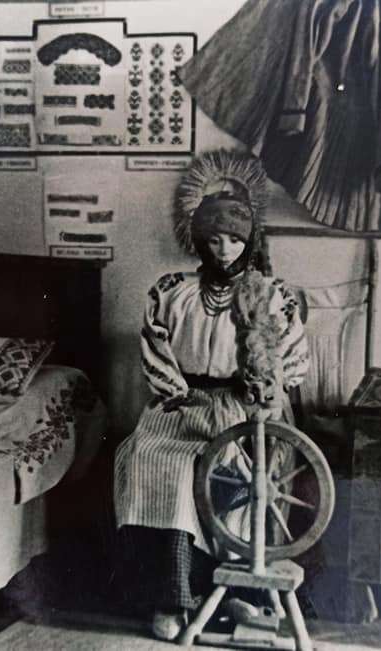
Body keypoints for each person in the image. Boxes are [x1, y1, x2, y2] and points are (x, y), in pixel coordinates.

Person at [113, 150, 310, 641]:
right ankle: (172, 599)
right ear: (200, 240)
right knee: (148, 458)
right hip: (181, 404)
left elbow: (292, 358)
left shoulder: (272, 295)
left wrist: (264, 390)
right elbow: (155, 348)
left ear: (249, 242)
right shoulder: (170, 291)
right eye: (216, 240)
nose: (224, 251)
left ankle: (239, 592)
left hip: (244, 409)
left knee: (227, 473)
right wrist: (177, 394)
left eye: (235, 241)